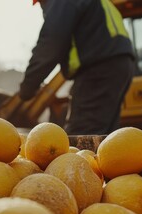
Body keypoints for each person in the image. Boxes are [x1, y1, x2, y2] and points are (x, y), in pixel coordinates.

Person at [18, 0, 135, 135]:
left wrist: (27, 87)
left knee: (81, 136)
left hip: (98, 70)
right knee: (104, 137)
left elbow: (50, 43)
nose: (43, 7)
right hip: (119, 64)